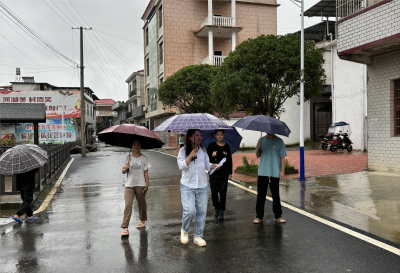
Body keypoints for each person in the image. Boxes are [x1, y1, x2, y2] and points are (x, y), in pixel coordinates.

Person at [177, 129, 218, 247]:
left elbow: (207, 165)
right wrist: (190, 156)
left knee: (201, 212)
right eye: (196, 135)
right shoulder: (183, 151)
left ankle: (198, 236)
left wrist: (213, 166)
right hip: (187, 186)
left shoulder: (203, 151)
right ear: (189, 137)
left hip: (202, 185)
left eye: (200, 135)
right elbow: (181, 166)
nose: (199, 137)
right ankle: (184, 231)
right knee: (190, 211)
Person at [253, 133, 287, 224]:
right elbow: (257, 155)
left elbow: (282, 156)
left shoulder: (279, 141)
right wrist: (259, 147)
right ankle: (259, 216)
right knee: (261, 194)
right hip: (263, 171)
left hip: (275, 171)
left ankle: (278, 216)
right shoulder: (261, 140)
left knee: (275, 194)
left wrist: (282, 171)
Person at [120, 139, 151, 237]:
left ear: (141, 146)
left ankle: (142, 219)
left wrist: (147, 184)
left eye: (138, 144)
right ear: (131, 146)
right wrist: (126, 168)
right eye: (134, 144)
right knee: (128, 205)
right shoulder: (128, 158)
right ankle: (125, 227)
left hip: (140, 184)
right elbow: (123, 171)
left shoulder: (144, 158)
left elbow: (146, 172)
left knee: (141, 203)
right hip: (129, 185)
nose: (136, 146)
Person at [206, 130, 233, 221]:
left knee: (223, 192)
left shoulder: (227, 146)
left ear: (223, 135)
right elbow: (207, 160)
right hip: (213, 174)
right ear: (215, 136)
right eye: (218, 135)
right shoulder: (211, 146)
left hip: (223, 174)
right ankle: (216, 208)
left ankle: (221, 211)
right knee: (214, 192)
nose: (219, 136)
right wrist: (212, 155)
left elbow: (229, 160)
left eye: (221, 135)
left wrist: (230, 172)